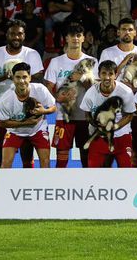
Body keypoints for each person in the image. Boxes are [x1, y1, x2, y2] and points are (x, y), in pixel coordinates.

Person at [0, 19, 44, 169]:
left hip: (26, 113)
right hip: (2, 114)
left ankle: (27, 187)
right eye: (13, 34)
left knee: (27, 156)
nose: (16, 37)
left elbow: (39, 79)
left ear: (24, 35)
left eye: (20, 34)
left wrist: (19, 77)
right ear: (7, 34)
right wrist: (4, 76)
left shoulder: (32, 54)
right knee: (0, 156)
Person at [99, 17, 137, 167]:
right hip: (112, 108)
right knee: (108, 154)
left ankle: (136, 183)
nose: (127, 32)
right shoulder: (108, 53)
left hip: (136, 106)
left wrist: (136, 85)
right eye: (124, 29)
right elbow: (102, 78)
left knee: (136, 150)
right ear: (118, 32)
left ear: (135, 33)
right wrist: (123, 63)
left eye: (130, 29)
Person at [44, 23, 98, 168]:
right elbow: (48, 86)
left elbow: (96, 90)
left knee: (86, 155)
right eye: (72, 35)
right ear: (66, 39)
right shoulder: (56, 62)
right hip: (64, 116)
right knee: (61, 157)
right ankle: (59, 185)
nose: (75, 38)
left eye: (78, 35)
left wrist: (82, 78)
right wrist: (57, 98)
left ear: (83, 39)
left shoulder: (92, 62)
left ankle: (88, 186)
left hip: (85, 115)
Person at [0, 62, 56, 168]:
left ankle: (44, 185)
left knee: (45, 163)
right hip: (15, 132)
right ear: (13, 79)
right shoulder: (6, 98)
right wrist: (27, 123)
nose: (21, 81)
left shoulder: (40, 89)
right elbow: (2, 123)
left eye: (24, 77)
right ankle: (6, 184)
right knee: (5, 164)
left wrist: (44, 111)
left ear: (30, 78)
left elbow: (53, 107)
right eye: (18, 77)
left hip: (38, 129)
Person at [79, 60, 135, 167]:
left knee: (127, 169)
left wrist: (115, 127)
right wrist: (97, 125)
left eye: (110, 74)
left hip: (122, 136)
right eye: (104, 73)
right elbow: (87, 114)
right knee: (93, 171)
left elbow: (129, 115)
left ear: (115, 75)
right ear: (99, 74)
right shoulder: (91, 93)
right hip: (98, 136)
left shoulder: (126, 92)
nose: (107, 77)